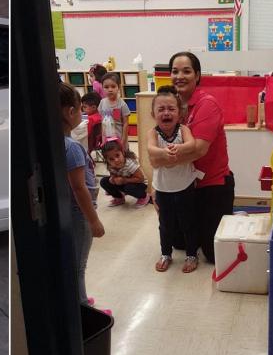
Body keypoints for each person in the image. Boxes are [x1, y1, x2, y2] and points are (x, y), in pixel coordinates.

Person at [149, 52, 234, 264]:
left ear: (197, 75)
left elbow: (198, 150)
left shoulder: (207, 104)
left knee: (213, 255)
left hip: (211, 184)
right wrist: (157, 187)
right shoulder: (171, 107)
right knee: (178, 242)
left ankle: (231, 216)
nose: (180, 76)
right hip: (182, 184)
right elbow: (151, 152)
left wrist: (160, 161)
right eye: (175, 71)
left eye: (186, 71)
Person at [147, 85, 204, 273]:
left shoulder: (183, 129)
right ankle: (165, 253)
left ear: (180, 113)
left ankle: (191, 255)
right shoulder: (153, 133)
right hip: (163, 188)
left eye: (171, 109)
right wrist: (163, 151)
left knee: (188, 222)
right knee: (165, 223)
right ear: (153, 113)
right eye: (161, 109)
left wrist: (178, 149)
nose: (166, 113)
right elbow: (150, 149)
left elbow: (192, 144)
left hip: (184, 186)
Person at [60, 82, 106, 309]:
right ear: (70, 112)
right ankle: (82, 309)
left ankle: (79, 300)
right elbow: (80, 188)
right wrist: (94, 221)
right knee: (79, 264)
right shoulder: (72, 148)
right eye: (79, 108)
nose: (81, 113)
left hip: (67, 210)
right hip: (80, 214)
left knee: (72, 262)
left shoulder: (53, 142)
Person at [99, 140, 150, 208]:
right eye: (111, 159)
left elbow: (141, 179)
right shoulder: (110, 165)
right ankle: (119, 198)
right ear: (107, 160)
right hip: (123, 182)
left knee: (129, 187)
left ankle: (144, 196)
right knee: (104, 181)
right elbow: (113, 174)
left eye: (117, 155)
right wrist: (113, 178)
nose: (116, 160)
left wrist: (124, 180)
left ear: (122, 153)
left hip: (139, 184)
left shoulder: (129, 164)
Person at [98, 72, 130, 143]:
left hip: (119, 139)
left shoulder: (122, 104)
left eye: (113, 86)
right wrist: (103, 140)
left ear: (118, 87)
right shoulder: (102, 103)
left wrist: (123, 141)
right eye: (106, 87)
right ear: (102, 88)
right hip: (106, 139)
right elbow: (102, 122)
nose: (110, 90)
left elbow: (126, 124)